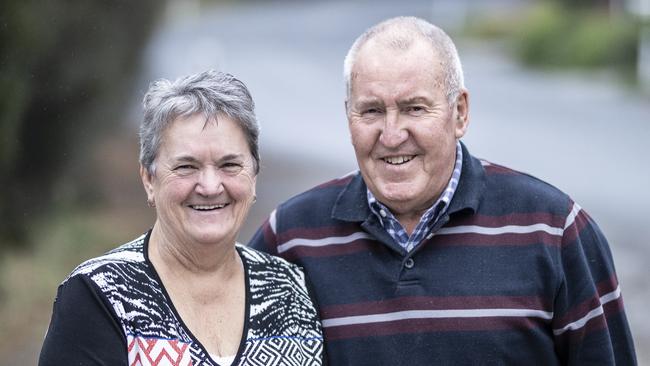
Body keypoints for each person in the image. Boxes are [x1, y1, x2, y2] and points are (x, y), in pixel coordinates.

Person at [249, 16, 637, 365]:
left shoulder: (554, 231)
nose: (392, 134)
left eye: (415, 108)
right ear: (348, 115)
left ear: (460, 113)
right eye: (371, 111)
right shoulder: (290, 239)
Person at [39, 70, 324, 365]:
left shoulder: (292, 290)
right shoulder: (101, 295)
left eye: (229, 164)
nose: (211, 187)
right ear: (149, 179)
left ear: (254, 174)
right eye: (187, 166)